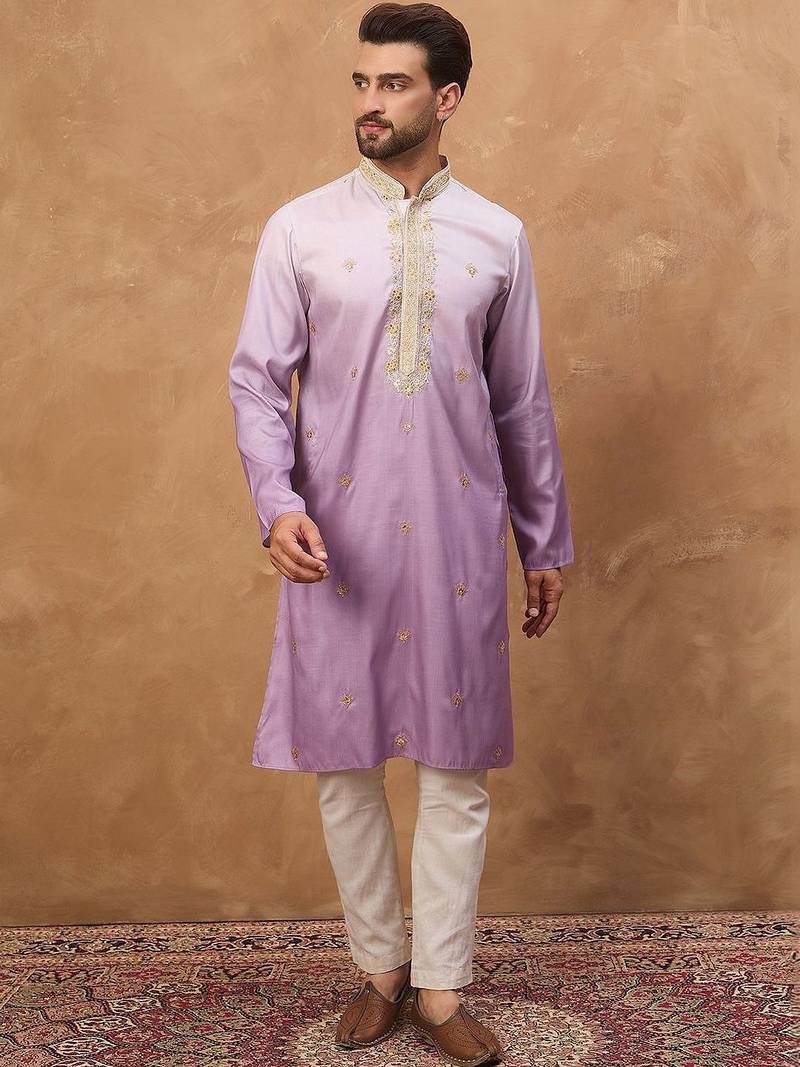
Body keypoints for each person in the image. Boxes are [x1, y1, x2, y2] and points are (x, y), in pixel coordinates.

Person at [228, 3, 574, 1062]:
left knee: (455, 770)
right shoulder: (299, 228)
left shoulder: (497, 235)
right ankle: (378, 970)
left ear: (446, 98)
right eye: (361, 83)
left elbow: (521, 402)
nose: (369, 104)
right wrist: (278, 503)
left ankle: (442, 988)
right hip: (337, 538)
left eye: (393, 84)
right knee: (345, 765)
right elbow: (257, 383)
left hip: (460, 536)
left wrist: (543, 541)